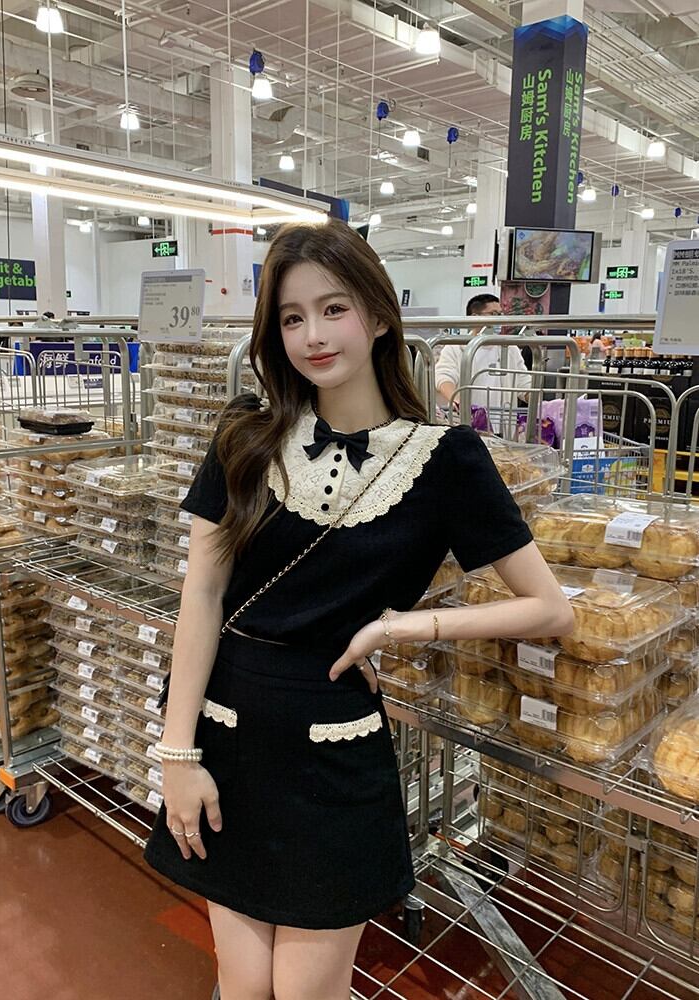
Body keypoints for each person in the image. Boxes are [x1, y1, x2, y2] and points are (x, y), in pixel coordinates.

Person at [143, 220, 574, 1000]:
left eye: (333, 308)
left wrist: (400, 626)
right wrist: (177, 757)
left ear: (377, 315)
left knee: (305, 990)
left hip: (333, 746)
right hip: (227, 731)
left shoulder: (446, 459)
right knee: (242, 984)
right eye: (292, 317)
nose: (312, 335)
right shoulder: (246, 435)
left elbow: (549, 608)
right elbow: (200, 596)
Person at [435, 293, 531, 433]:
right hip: (469, 425)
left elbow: (523, 382)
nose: (499, 319)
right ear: (475, 317)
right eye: (494, 314)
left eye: (500, 314)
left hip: (504, 427)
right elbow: (444, 377)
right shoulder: (456, 347)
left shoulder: (509, 348)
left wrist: (541, 403)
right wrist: (458, 400)